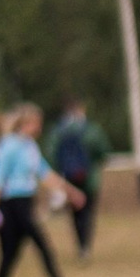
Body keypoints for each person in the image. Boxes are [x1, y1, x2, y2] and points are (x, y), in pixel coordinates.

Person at [0, 107, 85, 277]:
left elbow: (45, 174)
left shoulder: (30, 146)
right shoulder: (9, 146)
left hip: (25, 202)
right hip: (12, 204)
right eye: (35, 123)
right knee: (43, 247)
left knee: (10, 252)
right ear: (24, 124)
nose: (38, 127)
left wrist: (71, 192)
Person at [45, 99, 104, 260]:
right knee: (88, 212)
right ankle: (85, 245)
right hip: (90, 178)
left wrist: (59, 174)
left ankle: (80, 244)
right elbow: (103, 151)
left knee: (75, 213)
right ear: (82, 109)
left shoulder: (58, 130)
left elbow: (51, 154)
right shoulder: (92, 130)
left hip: (68, 178)